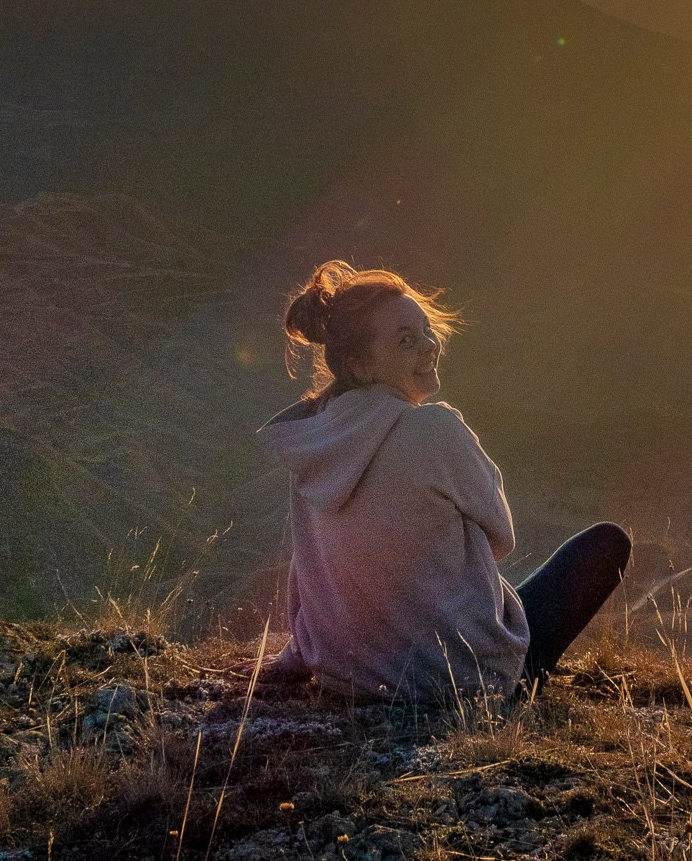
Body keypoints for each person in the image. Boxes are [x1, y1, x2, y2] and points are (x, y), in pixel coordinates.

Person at [252, 259, 631, 702]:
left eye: (426, 332)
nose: (429, 347)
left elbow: (314, 568)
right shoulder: (436, 430)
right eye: (406, 341)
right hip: (460, 681)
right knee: (607, 544)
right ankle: (511, 678)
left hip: (350, 676)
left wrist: (295, 657)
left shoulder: (312, 441)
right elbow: (502, 537)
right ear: (359, 366)